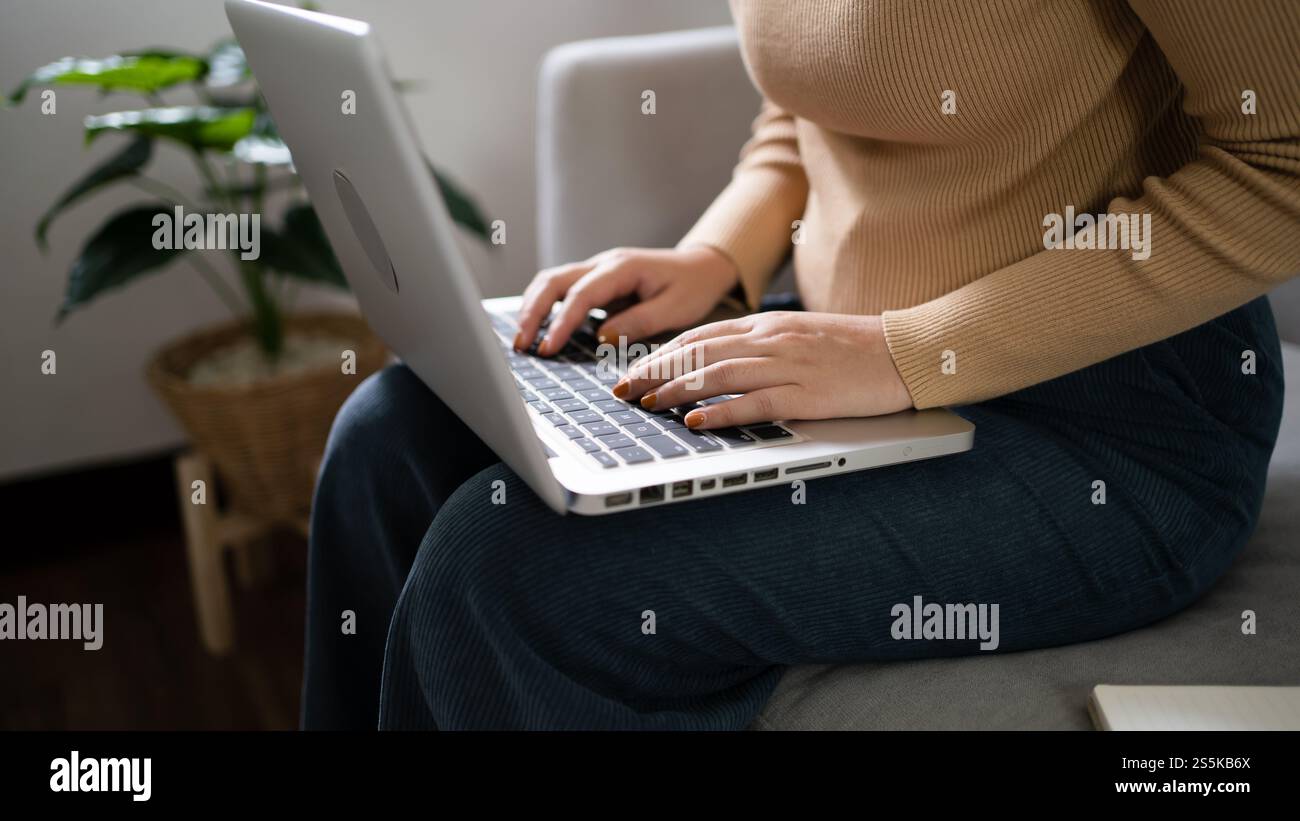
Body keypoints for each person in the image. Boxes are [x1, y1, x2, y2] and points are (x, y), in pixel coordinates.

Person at [302, 0, 1299, 729]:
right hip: (844, 348)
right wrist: (718, 256)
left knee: (511, 567)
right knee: (389, 434)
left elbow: (1283, 164)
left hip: (1106, 419)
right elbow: (810, 104)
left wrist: (912, 351)